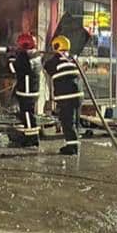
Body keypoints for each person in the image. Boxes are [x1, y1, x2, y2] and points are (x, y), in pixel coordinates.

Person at [44, 18, 88, 156]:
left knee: (67, 122)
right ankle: (74, 145)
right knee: (74, 122)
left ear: (56, 46)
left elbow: (47, 67)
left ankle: (72, 148)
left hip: (67, 98)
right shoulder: (72, 58)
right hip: (78, 96)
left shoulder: (57, 60)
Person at [9, 32, 41, 147]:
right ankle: (31, 136)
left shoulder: (24, 57)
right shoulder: (36, 54)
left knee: (27, 115)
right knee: (29, 114)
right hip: (33, 90)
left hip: (26, 91)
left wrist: (11, 57)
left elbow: (13, 69)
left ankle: (31, 139)